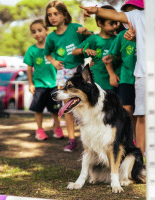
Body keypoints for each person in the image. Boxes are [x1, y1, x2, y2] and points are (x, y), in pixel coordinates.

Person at [80, 0, 155, 173]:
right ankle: (140, 160)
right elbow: (116, 15)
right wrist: (96, 10)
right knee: (142, 117)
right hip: (143, 75)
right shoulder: (137, 16)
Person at [44, 0, 92, 152]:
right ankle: (72, 139)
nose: (52, 17)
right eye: (49, 15)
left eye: (56, 14)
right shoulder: (51, 37)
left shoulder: (76, 28)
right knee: (67, 108)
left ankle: (88, 140)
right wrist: (53, 62)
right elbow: (47, 54)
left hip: (79, 73)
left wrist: (87, 32)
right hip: (63, 73)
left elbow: (92, 40)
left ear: (64, 15)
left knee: (85, 105)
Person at [24, 19, 63, 141]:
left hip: (54, 84)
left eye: (40, 30)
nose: (37, 34)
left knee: (55, 110)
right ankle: (39, 130)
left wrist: (61, 82)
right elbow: (29, 68)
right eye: (34, 32)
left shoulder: (54, 47)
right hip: (39, 85)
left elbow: (60, 65)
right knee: (38, 109)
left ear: (46, 30)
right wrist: (31, 83)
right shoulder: (32, 50)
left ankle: (57, 129)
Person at [72, 5, 119, 91]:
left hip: (114, 83)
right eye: (111, 23)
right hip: (97, 83)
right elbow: (74, 51)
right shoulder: (94, 39)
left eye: (116, 23)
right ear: (100, 23)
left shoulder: (117, 39)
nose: (115, 26)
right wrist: (84, 50)